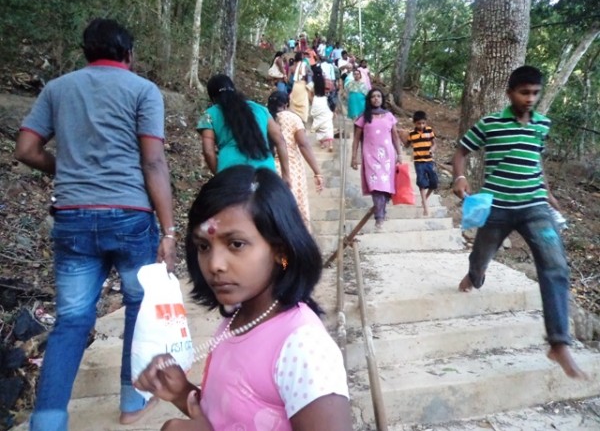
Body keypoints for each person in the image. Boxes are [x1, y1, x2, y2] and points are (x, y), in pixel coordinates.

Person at [14, 18, 177, 430]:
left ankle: (47, 423)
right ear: (129, 53)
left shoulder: (57, 89)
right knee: (139, 311)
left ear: (87, 51)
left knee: (71, 321)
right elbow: (153, 161)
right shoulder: (143, 91)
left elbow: (26, 149)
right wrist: (170, 230)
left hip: (72, 218)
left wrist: (66, 170)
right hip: (131, 219)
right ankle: (130, 403)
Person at [134, 166, 352, 431]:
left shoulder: (304, 348)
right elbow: (236, 413)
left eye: (236, 244)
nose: (214, 264)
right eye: (203, 246)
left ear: (279, 249)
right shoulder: (239, 316)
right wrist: (182, 393)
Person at [452, 65, 586, 380]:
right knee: (482, 256)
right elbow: (461, 151)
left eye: (535, 93)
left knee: (555, 264)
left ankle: (558, 342)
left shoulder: (542, 124)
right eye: (524, 92)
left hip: (534, 206)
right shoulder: (490, 124)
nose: (530, 99)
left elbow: (535, 160)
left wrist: (548, 194)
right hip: (497, 207)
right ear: (510, 93)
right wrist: (459, 176)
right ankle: (475, 275)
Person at [197, 74, 290, 185]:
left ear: (212, 96)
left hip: (230, 172)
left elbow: (208, 152)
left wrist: (219, 175)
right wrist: (286, 176)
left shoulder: (210, 114)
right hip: (266, 171)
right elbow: (280, 140)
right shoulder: (260, 109)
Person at [268, 90, 324, 229]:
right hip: (292, 169)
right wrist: (317, 172)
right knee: (296, 208)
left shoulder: (265, 118)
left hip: (269, 168)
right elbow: (303, 144)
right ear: (286, 104)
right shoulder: (293, 118)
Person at [351, 88, 403, 230]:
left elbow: (395, 137)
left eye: (378, 96)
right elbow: (356, 139)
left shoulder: (389, 116)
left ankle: (382, 209)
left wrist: (400, 154)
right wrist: (353, 157)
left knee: (385, 187)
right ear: (369, 100)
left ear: (382, 99)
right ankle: (379, 217)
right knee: (376, 187)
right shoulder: (364, 117)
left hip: (387, 156)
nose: (376, 99)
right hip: (370, 156)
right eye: (373, 96)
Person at [402, 110, 438, 216]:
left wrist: (432, 149)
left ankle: (424, 200)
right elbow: (406, 145)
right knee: (422, 183)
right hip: (418, 162)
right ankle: (426, 207)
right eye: (419, 123)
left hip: (429, 161)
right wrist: (401, 136)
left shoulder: (429, 131)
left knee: (434, 182)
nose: (421, 125)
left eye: (423, 123)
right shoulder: (412, 134)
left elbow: (435, 144)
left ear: (426, 122)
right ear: (415, 123)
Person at [310, 69, 335, 152]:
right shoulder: (326, 81)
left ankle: (322, 144)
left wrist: (311, 100)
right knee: (328, 124)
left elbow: (310, 92)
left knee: (318, 123)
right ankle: (330, 144)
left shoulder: (312, 83)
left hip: (316, 100)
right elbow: (330, 90)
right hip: (324, 100)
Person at [289, 52, 312, 124]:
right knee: (303, 106)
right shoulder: (305, 65)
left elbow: (289, 79)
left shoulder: (292, 66)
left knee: (294, 105)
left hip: (295, 86)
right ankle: (301, 124)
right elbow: (309, 77)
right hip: (302, 87)